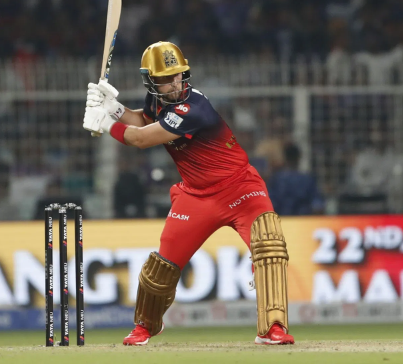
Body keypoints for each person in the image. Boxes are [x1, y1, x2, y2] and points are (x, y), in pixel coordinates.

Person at [82, 41, 294, 346]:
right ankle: (145, 326)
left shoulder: (193, 108)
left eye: (178, 75)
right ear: (151, 82)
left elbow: (141, 139)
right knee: (161, 267)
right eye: (166, 79)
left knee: (269, 246)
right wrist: (114, 108)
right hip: (196, 197)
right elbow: (144, 121)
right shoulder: (158, 101)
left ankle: (273, 328)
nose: (174, 83)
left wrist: (105, 123)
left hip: (241, 188)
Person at [268, 144, 324, 215]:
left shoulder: (277, 179)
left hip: (282, 218)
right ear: (299, 158)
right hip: (303, 219)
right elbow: (317, 204)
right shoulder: (307, 179)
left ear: (285, 158)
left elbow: (270, 202)